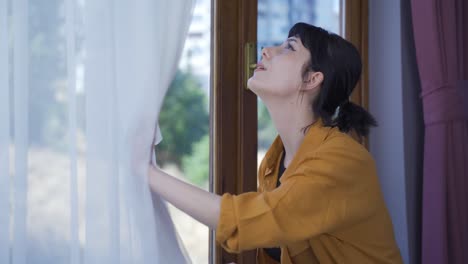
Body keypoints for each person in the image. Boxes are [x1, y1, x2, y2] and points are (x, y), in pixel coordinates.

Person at [148, 22, 403, 264]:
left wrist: (147, 173)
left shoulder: (342, 160)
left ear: (312, 79)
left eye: (289, 48)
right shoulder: (275, 161)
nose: (265, 51)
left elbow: (241, 219)